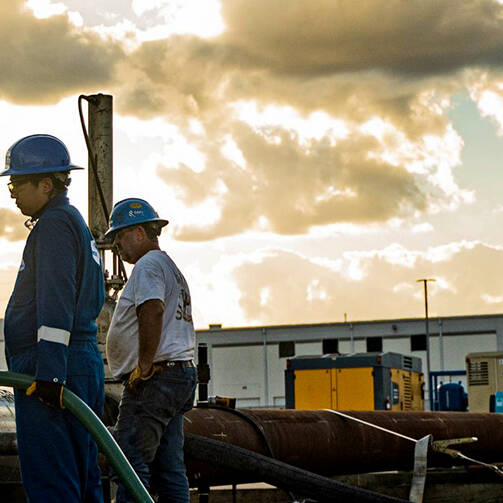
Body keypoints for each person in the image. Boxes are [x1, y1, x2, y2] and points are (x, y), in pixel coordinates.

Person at [1, 134, 106, 502]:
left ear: (46, 184)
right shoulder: (71, 222)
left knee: (52, 481)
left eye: (17, 183)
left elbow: (56, 301)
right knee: (81, 473)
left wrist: (50, 373)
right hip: (77, 362)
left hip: (53, 367)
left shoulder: (55, 225)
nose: (11, 192)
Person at [105, 198, 197, 503]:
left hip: (156, 380)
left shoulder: (147, 266)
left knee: (130, 461)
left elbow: (153, 310)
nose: (117, 245)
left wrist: (143, 366)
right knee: (170, 468)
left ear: (140, 233)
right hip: (177, 376)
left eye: (119, 236)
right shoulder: (170, 268)